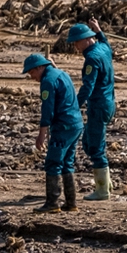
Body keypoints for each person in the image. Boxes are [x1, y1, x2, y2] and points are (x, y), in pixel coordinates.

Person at [23, 51, 83, 213]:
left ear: (41, 67)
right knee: (67, 162)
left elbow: (47, 110)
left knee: (53, 163)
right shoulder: (61, 73)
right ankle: (71, 203)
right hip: (76, 124)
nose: (32, 77)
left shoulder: (48, 81)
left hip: (63, 126)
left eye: (32, 72)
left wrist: (41, 134)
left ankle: (52, 203)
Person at [68, 22, 116, 201]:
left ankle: (102, 191)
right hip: (108, 103)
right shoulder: (103, 48)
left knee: (95, 147)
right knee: (89, 143)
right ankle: (107, 183)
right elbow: (105, 42)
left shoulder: (92, 59)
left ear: (87, 40)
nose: (75, 46)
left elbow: (87, 87)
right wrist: (99, 30)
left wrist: (74, 107)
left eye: (77, 42)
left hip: (98, 106)